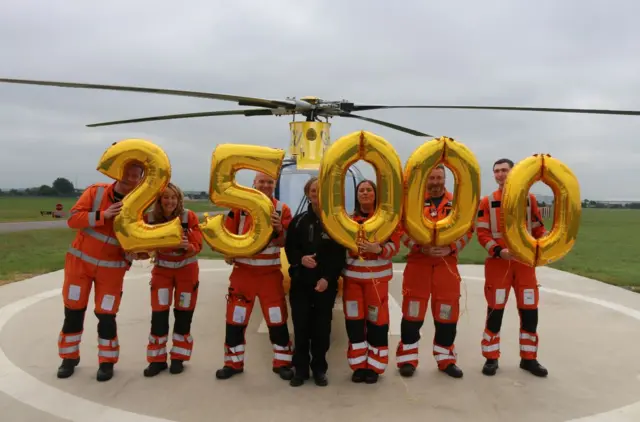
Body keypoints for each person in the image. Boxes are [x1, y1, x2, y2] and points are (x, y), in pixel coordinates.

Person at [56, 161, 144, 382]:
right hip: (80, 266)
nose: (131, 180)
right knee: (73, 312)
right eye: (128, 175)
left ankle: (107, 362)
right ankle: (69, 358)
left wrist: (140, 253)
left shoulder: (140, 204)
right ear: (118, 174)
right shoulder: (96, 192)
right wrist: (102, 215)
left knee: (106, 316)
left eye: (136, 176)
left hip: (112, 270)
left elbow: (142, 239)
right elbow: (73, 219)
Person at [395, 164, 474, 379]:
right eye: (432, 178)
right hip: (418, 265)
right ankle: (407, 360)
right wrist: (418, 246)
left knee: (446, 315)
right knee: (412, 314)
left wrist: (452, 247)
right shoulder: (412, 201)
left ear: (445, 179)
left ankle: (446, 359)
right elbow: (400, 228)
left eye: (439, 178)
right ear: (425, 180)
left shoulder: (457, 203)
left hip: (446, 266)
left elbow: (468, 228)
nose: (436, 182)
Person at [215, 172, 295, 381]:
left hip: (270, 275)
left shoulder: (282, 209)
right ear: (254, 183)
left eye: (269, 182)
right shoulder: (240, 209)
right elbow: (227, 237)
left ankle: (282, 362)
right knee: (235, 320)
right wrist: (228, 254)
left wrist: (278, 229)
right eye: (262, 181)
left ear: (274, 185)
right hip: (243, 275)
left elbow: (286, 242)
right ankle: (233, 363)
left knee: (277, 320)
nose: (265, 185)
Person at [476, 158, 548, 377]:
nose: (500, 174)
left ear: (513, 172)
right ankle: (491, 358)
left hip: (525, 266)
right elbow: (482, 233)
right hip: (499, 265)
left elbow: (538, 228)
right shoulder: (487, 202)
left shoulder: (529, 199)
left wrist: (545, 246)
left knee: (529, 312)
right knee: (495, 312)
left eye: (504, 170)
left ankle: (529, 359)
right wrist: (499, 251)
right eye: (496, 171)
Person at [284, 176, 347, 387]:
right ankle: (300, 369)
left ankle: (319, 368)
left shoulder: (336, 223)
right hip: (301, 284)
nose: (316, 194)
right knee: (301, 327)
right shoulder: (299, 220)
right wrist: (300, 259)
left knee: (322, 330)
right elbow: (290, 248)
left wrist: (328, 278)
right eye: (313, 190)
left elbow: (339, 256)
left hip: (325, 285)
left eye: (320, 190)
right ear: (307, 194)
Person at [137, 183, 204, 377]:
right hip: (163, 272)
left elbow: (198, 242)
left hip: (186, 272)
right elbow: (140, 241)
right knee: (159, 315)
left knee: (183, 315)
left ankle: (178, 357)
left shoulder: (188, 216)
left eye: (173, 197)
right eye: (165, 197)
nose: (170, 201)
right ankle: (157, 360)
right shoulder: (149, 218)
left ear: (179, 199)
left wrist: (188, 245)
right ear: (159, 200)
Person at [342, 180, 402, 384]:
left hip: (377, 283)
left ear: (376, 195)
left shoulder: (388, 220)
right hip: (352, 283)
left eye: (369, 190)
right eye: (361, 190)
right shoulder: (348, 220)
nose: (365, 193)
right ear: (357, 195)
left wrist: (379, 250)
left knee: (377, 323)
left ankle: (375, 367)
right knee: (354, 323)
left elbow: (395, 245)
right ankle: (358, 366)